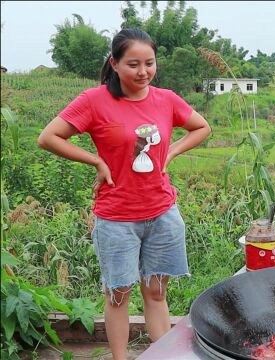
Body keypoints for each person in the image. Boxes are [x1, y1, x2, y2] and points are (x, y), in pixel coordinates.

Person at [38, 28, 211, 359]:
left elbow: (201, 126)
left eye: (149, 63)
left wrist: (171, 152)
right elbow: (49, 137)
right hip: (117, 218)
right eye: (133, 64)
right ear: (114, 64)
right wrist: (95, 160)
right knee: (117, 294)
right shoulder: (94, 100)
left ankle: (162, 356)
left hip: (162, 212)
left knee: (157, 293)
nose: (143, 72)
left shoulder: (166, 99)